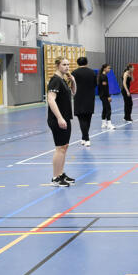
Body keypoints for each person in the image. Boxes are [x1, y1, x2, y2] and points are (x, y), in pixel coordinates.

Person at [46, 58, 77, 187]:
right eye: (64, 65)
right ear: (57, 66)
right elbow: (51, 99)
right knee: (59, 148)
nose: (67, 67)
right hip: (57, 119)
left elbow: (73, 93)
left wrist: (73, 81)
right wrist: (59, 117)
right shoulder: (55, 80)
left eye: (68, 65)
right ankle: (55, 178)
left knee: (64, 147)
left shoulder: (63, 80)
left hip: (66, 117)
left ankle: (61, 174)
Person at [71, 56, 96, 147]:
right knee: (88, 118)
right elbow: (95, 84)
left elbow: (72, 86)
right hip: (90, 97)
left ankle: (87, 138)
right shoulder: (92, 72)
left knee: (81, 119)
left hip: (79, 98)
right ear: (87, 62)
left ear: (78, 63)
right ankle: (84, 137)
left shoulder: (74, 73)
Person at [97, 63, 113, 130]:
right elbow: (105, 88)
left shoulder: (102, 75)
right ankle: (109, 124)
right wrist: (108, 96)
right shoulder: (103, 77)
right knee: (108, 109)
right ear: (104, 68)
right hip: (104, 95)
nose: (109, 69)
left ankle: (103, 123)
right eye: (108, 68)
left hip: (102, 95)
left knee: (104, 108)